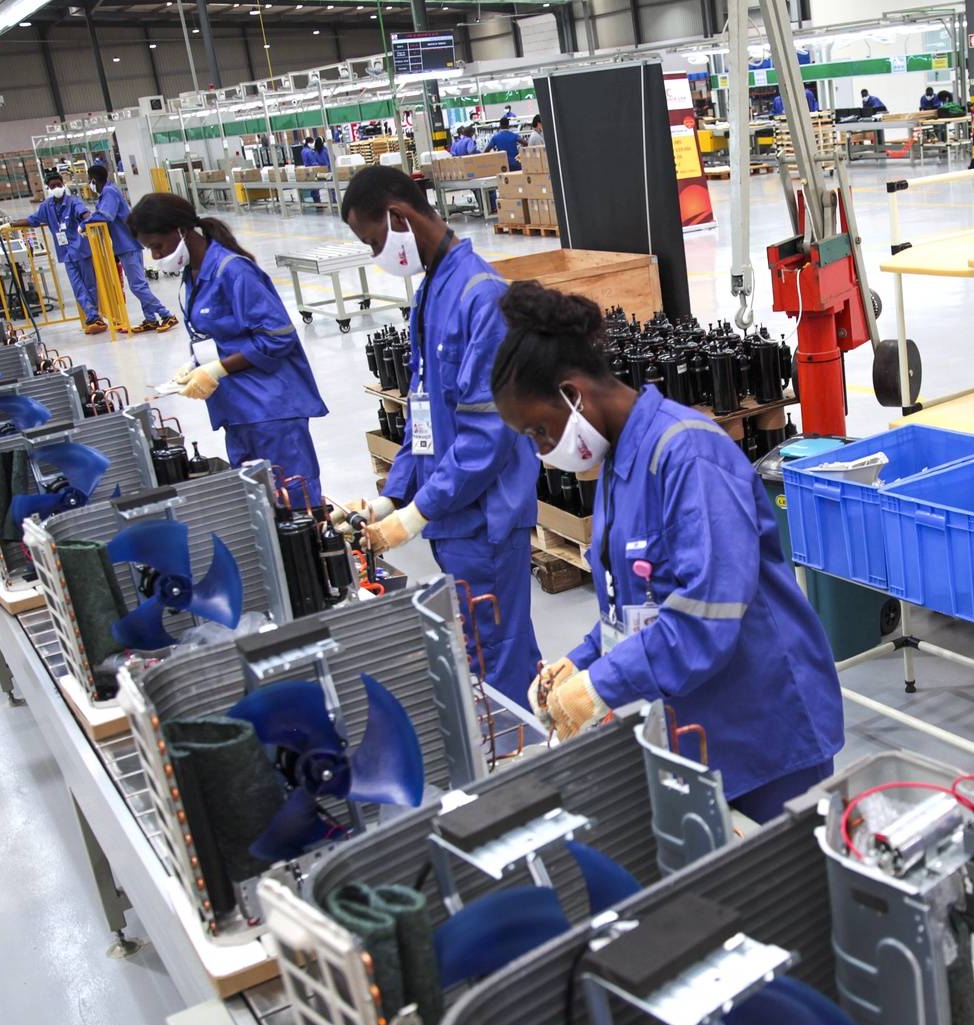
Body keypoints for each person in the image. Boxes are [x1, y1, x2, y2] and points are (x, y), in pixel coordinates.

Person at [491, 283, 846, 821]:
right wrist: (583, 660)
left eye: (540, 430)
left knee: (787, 888)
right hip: (702, 725)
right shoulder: (616, 467)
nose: (541, 450)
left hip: (766, 730)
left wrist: (601, 685)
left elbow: (705, 616)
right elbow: (637, 602)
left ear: (573, 393)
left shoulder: (689, 456)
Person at [338, 166, 537, 702]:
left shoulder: (481, 296)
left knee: (497, 650)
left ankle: (523, 761)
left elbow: (487, 433)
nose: (377, 254)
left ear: (399, 217)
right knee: (477, 644)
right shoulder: (431, 292)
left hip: (485, 518)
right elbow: (423, 412)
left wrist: (420, 510)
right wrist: (393, 497)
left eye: (374, 240)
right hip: (453, 517)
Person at [126, 192, 328, 500]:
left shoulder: (234, 271)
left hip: (269, 410)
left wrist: (218, 368)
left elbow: (278, 337)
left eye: (157, 246)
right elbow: (218, 334)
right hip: (236, 412)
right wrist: (195, 365)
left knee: (294, 501)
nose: (154, 257)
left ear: (181, 230)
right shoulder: (193, 275)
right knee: (257, 501)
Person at [8, 171, 107, 335]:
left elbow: (85, 214)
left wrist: (87, 222)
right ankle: (93, 316)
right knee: (77, 286)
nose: (56, 188)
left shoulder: (73, 202)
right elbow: (33, 220)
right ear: (48, 188)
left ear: (64, 185)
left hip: (82, 251)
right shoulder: (47, 206)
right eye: (53, 186)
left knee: (89, 285)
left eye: (58, 185)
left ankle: (95, 317)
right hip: (66, 254)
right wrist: (11, 224)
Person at [88, 164, 176, 333]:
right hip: (125, 244)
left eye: (88, 179)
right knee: (140, 284)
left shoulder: (109, 192)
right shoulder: (108, 192)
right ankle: (150, 319)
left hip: (127, 244)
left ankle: (166, 315)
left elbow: (106, 215)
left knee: (137, 286)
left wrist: (85, 224)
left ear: (93, 179)